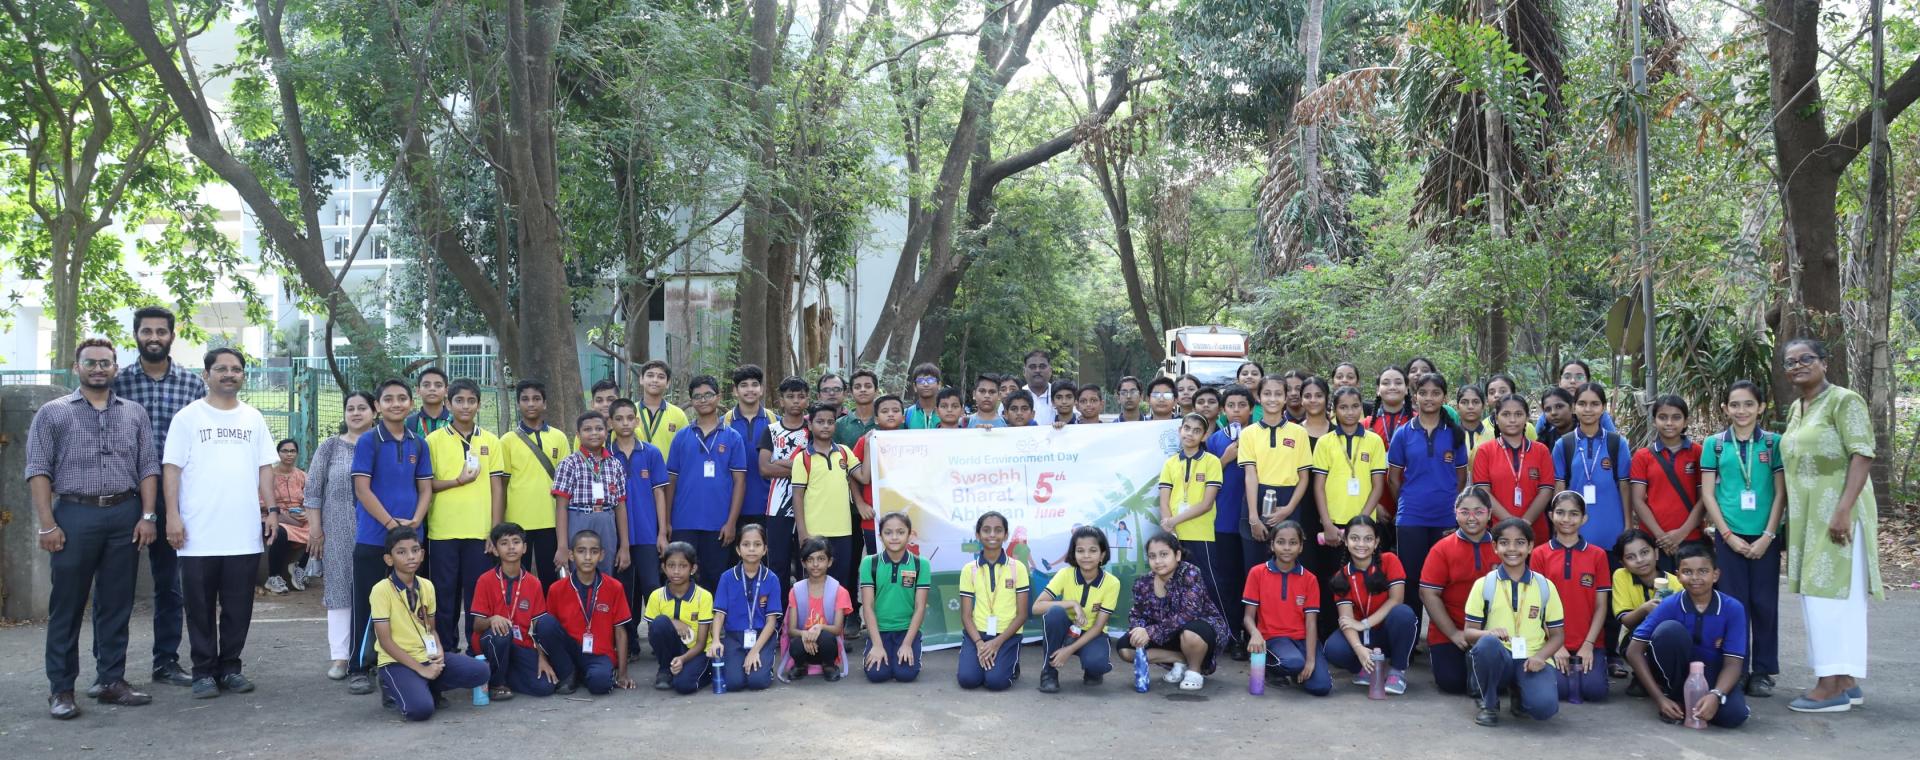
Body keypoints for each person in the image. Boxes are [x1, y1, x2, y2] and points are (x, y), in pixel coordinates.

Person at [29, 338, 160, 719]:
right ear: (77, 367)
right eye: (90, 362)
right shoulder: (53, 413)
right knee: (67, 605)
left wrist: (148, 516)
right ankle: (61, 689)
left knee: (117, 603)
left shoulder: (134, 413)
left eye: (105, 363)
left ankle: (111, 680)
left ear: (115, 368)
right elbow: (38, 469)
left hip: (124, 515)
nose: (98, 368)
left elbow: (148, 466)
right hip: (75, 515)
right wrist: (47, 525)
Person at [164, 347, 278, 699]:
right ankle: (203, 672)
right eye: (221, 368)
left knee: (238, 607)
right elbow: (172, 470)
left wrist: (272, 510)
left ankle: (230, 668)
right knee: (199, 608)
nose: (229, 374)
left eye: (236, 369)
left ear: (243, 375)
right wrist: (172, 516)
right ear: (206, 374)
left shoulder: (253, 418)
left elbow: (265, 468)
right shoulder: (187, 418)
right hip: (197, 534)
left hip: (242, 533)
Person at [1779, 338, 1880, 713]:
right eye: (1790, 362)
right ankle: (1847, 680)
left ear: (1824, 362)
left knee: (1830, 599)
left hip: (1838, 514)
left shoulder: (1844, 400)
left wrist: (1843, 510)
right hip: (1808, 519)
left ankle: (1830, 685)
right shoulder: (1797, 408)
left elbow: (1862, 453)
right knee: (1822, 596)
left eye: (1806, 358)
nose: (1798, 366)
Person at [113, 306, 205, 689]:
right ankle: (110, 672)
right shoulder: (116, 382)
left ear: (171, 336)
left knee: (169, 583)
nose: (154, 337)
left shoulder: (192, 385)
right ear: (136, 335)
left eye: (161, 331)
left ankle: (165, 662)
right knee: (115, 586)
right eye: (147, 331)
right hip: (123, 493)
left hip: (173, 496)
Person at [348, 378, 436, 695]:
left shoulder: (419, 443)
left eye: (402, 398)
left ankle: (409, 662)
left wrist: (416, 521)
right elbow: (362, 489)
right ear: (378, 406)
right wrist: (390, 524)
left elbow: (425, 489)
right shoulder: (368, 441)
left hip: (411, 539)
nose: (396, 404)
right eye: (388, 399)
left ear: (411, 403)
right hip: (374, 538)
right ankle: (359, 667)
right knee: (367, 605)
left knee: (413, 605)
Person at [1699, 380, 1785, 697]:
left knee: (1764, 604)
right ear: (1725, 408)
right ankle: (1736, 668)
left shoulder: (1773, 443)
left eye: (1749, 404)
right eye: (1734, 404)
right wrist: (1726, 534)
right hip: (1728, 536)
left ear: (1761, 407)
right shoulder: (1715, 444)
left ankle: (1762, 671)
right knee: (1734, 605)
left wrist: (1768, 535)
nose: (1742, 410)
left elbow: (1780, 494)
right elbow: (1708, 494)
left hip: (1765, 537)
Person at [369, 526, 489, 721]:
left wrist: (438, 650)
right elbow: (385, 641)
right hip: (396, 661)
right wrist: (421, 669)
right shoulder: (381, 590)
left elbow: (431, 629)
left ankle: (424, 684)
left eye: (415, 550)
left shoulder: (427, 586)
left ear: (423, 554)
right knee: (421, 710)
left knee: (481, 671)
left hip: (426, 656)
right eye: (401, 552)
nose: (411, 557)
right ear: (389, 559)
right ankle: (391, 685)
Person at [1624, 543, 1751, 727]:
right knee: (1669, 630)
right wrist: (1659, 699)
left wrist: (1716, 695)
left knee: (1734, 716)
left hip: (1713, 674)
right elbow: (1633, 651)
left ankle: (1700, 701)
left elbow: (1733, 663)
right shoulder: (1669, 604)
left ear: (1715, 574)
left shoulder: (1733, 608)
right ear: (1678, 576)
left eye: (1703, 571)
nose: (1695, 578)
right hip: (1677, 674)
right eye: (1687, 572)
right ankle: (1674, 696)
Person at [423, 379, 503, 653]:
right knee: (444, 594)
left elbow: (497, 488)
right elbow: (427, 485)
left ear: (479, 405)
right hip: (443, 532)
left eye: (471, 401)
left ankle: (476, 650)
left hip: (480, 533)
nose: (465, 406)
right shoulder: (433, 441)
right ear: (448, 403)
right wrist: (456, 481)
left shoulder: (491, 440)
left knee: (477, 596)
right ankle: (447, 650)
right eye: (459, 400)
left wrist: (494, 531)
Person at [1388, 372, 1470, 628]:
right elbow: (1393, 479)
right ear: (1414, 397)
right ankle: (1411, 638)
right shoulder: (1403, 434)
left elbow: (1461, 478)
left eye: (1436, 393)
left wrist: (1449, 504)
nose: (1429, 398)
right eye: (1423, 393)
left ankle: (1444, 635)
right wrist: (1407, 501)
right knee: (1411, 579)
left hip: (1445, 518)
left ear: (1444, 397)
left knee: (1445, 579)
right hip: (1411, 518)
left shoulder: (1455, 434)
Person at [1463, 518, 1563, 727]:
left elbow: (1557, 635)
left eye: (1520, 542)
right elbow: (1469, 633)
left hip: (1531, 658)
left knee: (1544, 708)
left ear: (1530, 546)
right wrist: (1489, 633)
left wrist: (1540, 657)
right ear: (1495, 547)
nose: (1512, 549)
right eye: (1504, 542)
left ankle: (1519, 693)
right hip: (1499, 656)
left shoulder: (1545, 586)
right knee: (1487, 644)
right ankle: (1489, 703)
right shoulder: (1484, 585)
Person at [307, 392, 375, 682]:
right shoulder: (330, 447)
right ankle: (340, 656)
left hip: (375, 531)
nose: (356, 413)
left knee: (376, 593)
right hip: (336, 532)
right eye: (350, 408)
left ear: (375, 411)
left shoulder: (381, 445)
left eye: (362, 408)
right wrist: (315, 530)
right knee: (338, 592)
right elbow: (313, 491)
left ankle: (374, 655)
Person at [666, 375, 748, 591]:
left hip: (718, 524)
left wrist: (731, 523)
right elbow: (671, 481)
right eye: (697, 396)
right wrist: (666, 521)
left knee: (715, 579)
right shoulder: (681, 437)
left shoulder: (733, 437)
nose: (703, 400)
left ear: (718, 397)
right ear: (691, 401)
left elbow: (740, 482)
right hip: (683, 522)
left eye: (708, 395)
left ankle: (713, 615)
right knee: (681, 578)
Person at [1119, 533, 1230, 691]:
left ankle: (1194, 670)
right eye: (1152, 556)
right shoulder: (1143, 582)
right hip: (1165, 633)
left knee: (1190, 632)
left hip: (1201, 630)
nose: (1158, 561)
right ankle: (1181, 660)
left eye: (1164, 554)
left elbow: (1189, 613)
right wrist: (1139, 630)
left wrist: (1149, 632)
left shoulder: (1190, 573)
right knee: (1126, 649)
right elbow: (1137, 613)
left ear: (1177, 555)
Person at [1529, 491, 1611, 703]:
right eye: (1560, 513)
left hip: (1588, 640)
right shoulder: (1539, 554)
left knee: (1595, 691)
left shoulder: (1598, 555)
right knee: (1560, 691)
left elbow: (1601, 606)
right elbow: (1538, 605)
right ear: (1551, 515)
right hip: (1551, 639)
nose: (1566, 519)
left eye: (1574, 514)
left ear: (1584, 519)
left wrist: (1589, 644)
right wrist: (1556, 645)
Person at [532, 529, 634, 694]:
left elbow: (620, 632)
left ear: (601, 555)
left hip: (599, 653)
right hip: (568, 651)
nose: (587, 557)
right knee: (544, 622)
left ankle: (586, 675)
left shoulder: (614, 587)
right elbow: (545, 632)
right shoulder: (556, 589)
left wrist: (623, 674)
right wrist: (542, 660)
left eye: (594, 552)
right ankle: (569, 672)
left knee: (600, 684)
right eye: (581, 551)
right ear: (571, 555)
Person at [1418, 488, 1498, 695]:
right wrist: (1453, 633)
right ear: (1455, 513)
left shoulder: (1502, 546)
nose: (1471, 518)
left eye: (1478, 512)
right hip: (1450, 632)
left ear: (1489, 513)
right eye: (1464, 512)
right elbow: (1428, 594)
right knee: (1453, 682)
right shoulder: (1442, 549)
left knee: (1499, 682)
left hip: (1493, 632)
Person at [1323, 516, 1414, 695]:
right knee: (1333, 649)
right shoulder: (1341, 576)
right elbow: (1346, 620)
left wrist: (1364, 624)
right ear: (1346, 541)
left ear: (1376, 542)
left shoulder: (1389, 560)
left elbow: (1396, 600)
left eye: (1368, 539)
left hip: (1386, 631)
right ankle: (1367, 666)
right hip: (1363, 636)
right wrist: (1359, 649)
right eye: (1355, 538)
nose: (1361, 544)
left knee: (1403, 614)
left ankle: (1397, 670)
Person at [1241, 521, 1332, 696]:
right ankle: (1270, 668)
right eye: (1281, 542)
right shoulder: (1257, 573)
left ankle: (1297, 670)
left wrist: (1311, 660)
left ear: (1301, 547)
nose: (1287, 548)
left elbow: (1311, 623)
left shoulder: (1310, 579)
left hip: (1303, 640)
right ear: (1272, 545)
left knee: (1321, 687)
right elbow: (1248, 617)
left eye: (1293, 543)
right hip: (1273, 639)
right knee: (1294, 663)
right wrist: (1255, 633)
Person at [608, 398, 670, 655]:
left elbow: (659, 494)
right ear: (610, 423)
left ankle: (659, 642)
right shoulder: (605, 454)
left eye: (629, 418)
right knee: (623, 590)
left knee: (652, 587)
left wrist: (662, 532)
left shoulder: (651, 453)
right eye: (618, 419)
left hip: (647, 533)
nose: (625, 423)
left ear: (636, 421)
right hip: (616, 536)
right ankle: (630, 645)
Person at [469, 522, 557, 700]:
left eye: (516, 542)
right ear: (495, 550)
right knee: (502, 633)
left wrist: (542, 658)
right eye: (504, 543)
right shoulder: (485, 580)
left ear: (524, 548)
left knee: (545, 687)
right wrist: (492, 619)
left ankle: (501, 674)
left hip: (520, 645)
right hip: (491, 642)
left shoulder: (534, 583)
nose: (511, 547)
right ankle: (497, 684)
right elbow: (477, 625)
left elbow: (537, 627)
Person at [500, 379, 569, 587]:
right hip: (516, 521)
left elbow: (565, 485)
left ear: (545, 403)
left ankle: (548, 610)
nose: (531, 403)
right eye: (525, 399)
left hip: (550, 519)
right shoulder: (507, 440)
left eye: (536, 399)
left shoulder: (558, 437)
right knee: (516, 578)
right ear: (518, 403)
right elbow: (502, 485)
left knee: (551, 579)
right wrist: (500, 522)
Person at [791, 404, 867, 595]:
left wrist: (868, 445)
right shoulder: (803, 458)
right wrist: (802, 533)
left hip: (843, 531)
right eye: (820, 422)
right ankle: (812, 615)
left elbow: (864, 477)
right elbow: (797, 496)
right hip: (814, 532)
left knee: (840, 584)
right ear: (810, 425)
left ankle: (838, 616)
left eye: (830, 422)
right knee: (813, 583)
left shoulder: (844, 452)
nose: (825, 426)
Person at [1240, 376, 1311, 577]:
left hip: (1289, 499)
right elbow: (1250, 475)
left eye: (1278, 394)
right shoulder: (1248, 433)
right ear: (1259, 397)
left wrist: (1288, 508)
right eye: (1267, 394)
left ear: (1286, 397)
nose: (1273, 399)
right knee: (1255, 565)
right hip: (1255, 498)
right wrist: (1253, 517)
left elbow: (1304, 477)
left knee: (1287, 561)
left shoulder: (1299, 432)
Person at [1034, 526, 1119, 692]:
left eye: (1093, 550)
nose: (1086, 555)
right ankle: (1049, 673)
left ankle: (1092, 670)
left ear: (1102, 555)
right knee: (1055, 613)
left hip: (1092, 633)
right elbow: (1037, 607)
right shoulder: (1065, 574)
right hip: (1065, 631)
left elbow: (1098, 627)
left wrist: (1069, 650)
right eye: (1080, 550)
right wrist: (1072, 604)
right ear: (1074, 553)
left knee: (1096, 665)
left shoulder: (1112, 583)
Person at [1159, 413, 1225, 619]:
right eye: (1187, 428)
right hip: (1175, 536)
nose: (1190, 434)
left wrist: (1173, 521)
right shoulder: (1170, 463)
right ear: (1180, 430)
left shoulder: (1212, 462)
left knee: (1209, 584)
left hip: (1201, 534)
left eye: (1197, 431)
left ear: (1204, 436)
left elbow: (1206, 504)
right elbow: (1164, 500)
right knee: (1176, 585)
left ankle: (1223, 629)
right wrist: (1170, 529)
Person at [1552, 383, 1633, 552]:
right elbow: (1559, 487)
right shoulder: (1564, 444)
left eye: (1595, 404)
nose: (1588, 409)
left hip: (1612, 526)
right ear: (1574, 408)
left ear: (1603, 408)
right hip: (1574, 529)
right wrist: (1557, 527)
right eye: (1582, 404)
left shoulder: (1617, 443)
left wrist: (1628, 524)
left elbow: (1625, 487)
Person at [1630, 395, 1706, 569]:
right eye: (1663, 417)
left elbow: (1705, 498)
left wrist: (1681, 534)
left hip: (1691, 538)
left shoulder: (1698, 452)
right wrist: (1661, 536)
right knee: (1660, 585)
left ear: (1686, 421)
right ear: (1654, 421)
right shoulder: (1643, 456)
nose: (1669, 423)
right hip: (1654, 540)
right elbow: (1637, 500)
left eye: (1676, 417)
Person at [956, 512, 1029, 690]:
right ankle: (980, 661)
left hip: (1007, 635)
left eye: (998, 530)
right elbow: (966, 616)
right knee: (968, 680)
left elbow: (1022, 615)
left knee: (996, 682)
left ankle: (1010, 662)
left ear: (1006, 535)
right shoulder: (969, 569)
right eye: (986, 530)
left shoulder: (1018, 568)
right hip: (977, 635)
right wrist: (979, 643)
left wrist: (997, 642)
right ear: (978, 535)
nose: (992, 535)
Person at [551, 411, 629, 578]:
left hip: (606, 520)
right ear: (578, 435)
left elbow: (621, 506)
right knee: (577, 571)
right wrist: (562, 546)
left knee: (605, 572)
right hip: (578, 518)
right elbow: (561, 507)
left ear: (606, 432)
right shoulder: (568, 464)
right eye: (587, 429)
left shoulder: (615, 465)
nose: (594, 433)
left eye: (599, 429)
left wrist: (625, 546)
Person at [1205, 385, 1252, 656]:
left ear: (1251, 409)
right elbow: (1205, 478)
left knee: (1250, 579)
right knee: (1227, 581)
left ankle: (1253, 634)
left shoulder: (1258, 435)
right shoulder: (1215, 440)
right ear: (1223, 410)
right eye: (1231, 405)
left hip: (1252, 518)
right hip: (1223, 520)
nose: (1236, 410)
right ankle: (1232, 635)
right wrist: (1225, 459)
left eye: (1242, 405)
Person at [710, 524, 783, 691]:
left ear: (765, 550)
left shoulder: (772, 579)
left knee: (758, 682)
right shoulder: (727, 578)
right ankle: (739, 664)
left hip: (761, 636)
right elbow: (719, 614)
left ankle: (766, 668)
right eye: (746, 544)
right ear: (738, 550)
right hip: (734, 637)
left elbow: (771, 622)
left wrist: (754, 650)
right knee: (733, 683)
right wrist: (715, 640)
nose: (751, 549)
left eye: (757, 544)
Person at [1472, 394, 1556, 540]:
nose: (1512, 420)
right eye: (1506, 414)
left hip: (1535, 531)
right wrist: (1511, 524)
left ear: (1527, 418)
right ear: (1496, 418)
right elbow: (1483, 492)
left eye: (1518, 414)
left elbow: (1546, 491)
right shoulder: (1485, 451)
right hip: (1498, 531)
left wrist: (1525, 523)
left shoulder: (1541, 450)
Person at [860, 512, 930, 683]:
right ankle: (876, 648)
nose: (894, 537)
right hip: (879, 631)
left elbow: (920, 607)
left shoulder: (921, 564)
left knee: (905, 675)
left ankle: (907, 649)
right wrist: (877, 645)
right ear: (880, 536)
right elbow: (867, 606)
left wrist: (907, 644)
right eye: (888, 532)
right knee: (877, 675)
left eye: (900, 532)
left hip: (907, 631)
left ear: (910, 535)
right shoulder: (870, 563)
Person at [1610, 529, 1678, 692]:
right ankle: (1642, 676)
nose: (1640, 560)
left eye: (1645, 552)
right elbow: (1625, 620)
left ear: (1656, 553)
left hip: (1666, 638)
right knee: (1638, 637)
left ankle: (1660, 678)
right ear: (1623, 563)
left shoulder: (1675, 582)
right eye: (1630, 557)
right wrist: (1644, 609)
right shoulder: (1621, 576)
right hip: (1633, 638)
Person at [758, 376, 812, 578]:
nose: (796, 401)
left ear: (807, 400)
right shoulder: (771, 430)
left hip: (809, 506)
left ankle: (805, 600)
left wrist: (780, 462)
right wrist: (801, 467)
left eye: (801, 396)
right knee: (778, 564)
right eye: (790, 396)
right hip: (777, 508)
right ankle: (778, 600)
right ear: (781, 401)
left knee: (807, 563)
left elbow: (815, 468)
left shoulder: (812, 430)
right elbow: (764, 468)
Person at [643, 542, 713, 694]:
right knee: (659, 623)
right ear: (664, 567)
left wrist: (683, 659)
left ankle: (706, 671)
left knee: (684, 686)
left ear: (693, 568)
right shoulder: (656, 596)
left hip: (697, 651)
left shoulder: (704, 596)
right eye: (671, 565)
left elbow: (701, 643)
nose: (676, 571)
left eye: (683, 566)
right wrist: (673, 622)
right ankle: (665, 669)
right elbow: (654, 632)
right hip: (673, 649)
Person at [783, 536, 852, 681]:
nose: (815, 564)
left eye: (821, 559)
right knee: (796, 642)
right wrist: (805, 634)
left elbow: (837, 629)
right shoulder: (796, 590)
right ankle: (800, 665)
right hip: (804, 645)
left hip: (827, 646)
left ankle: (829, 666)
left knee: (826, 638)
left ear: (830, 561)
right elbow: (791, 630)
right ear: (803, 563)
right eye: (810, 559)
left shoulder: (839, 591)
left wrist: (819, 627)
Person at [852, 395, 905, 555]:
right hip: (873, 516)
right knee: (877, 561)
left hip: (907, 514)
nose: (890, 414)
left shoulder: (912, 441)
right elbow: (851, 474)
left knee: (904, 560)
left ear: (903, 417)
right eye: (884, 411)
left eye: (895, 411)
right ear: (876, 418)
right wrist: (860, 503)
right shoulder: (865, 441)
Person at [724, 365, 774, 533]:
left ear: (762, 389)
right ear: (735, 390)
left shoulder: (775, 422)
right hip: (731, 508)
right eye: (744, 385)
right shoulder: (723, 423)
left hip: (769, 506)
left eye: (755, 384)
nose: (750, 389)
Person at [1364, 367, 1414, 528]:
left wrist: (1406, 507)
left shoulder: (1418, 422)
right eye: (1386, 383)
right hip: (1375, 505)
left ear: (1406, 388)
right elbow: (1358, 470)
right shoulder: (1365, 425)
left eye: (1398, 382)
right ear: (1378, 390)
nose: (1392, 386)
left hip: (1412, 506)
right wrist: (1373, 506)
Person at [263, 439, 310, 594]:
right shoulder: (268, 475)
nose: (289, 454)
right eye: (284, 451)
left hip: (298, 519)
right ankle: (273, 577)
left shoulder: (303, 476)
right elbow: (260, 501)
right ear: (278, 453)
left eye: (292, 451)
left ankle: (299, 568)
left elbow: (311, 500)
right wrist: (279, 512)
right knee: (280, 532)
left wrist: (305, 513)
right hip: (273, 517)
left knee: (319, 530)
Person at [634, 360, 690, 457]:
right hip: (635, 466)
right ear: (641, 379)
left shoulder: (678, 415)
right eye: (650, 375)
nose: (655, 380)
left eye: (661, 377)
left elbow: (686, 448)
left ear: (668, 383)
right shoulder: (630, 412)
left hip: (667, 467)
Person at [832, 369, 880, 446]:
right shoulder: (839, 424)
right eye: (857, 387)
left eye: (868, 386)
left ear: (876, 391)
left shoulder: (887, 421)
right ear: (851, 392)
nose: (863, 390)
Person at [405, 368, 452, 439]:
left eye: (438, 385)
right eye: (426, 385)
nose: (432, 388)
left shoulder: (455, 422)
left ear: (446, 391)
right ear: (418, 390)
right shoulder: (408, 423)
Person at [1022, 350, 1060, 425]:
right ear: (1024, 371)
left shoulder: (1061, 395)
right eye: (1032, 367)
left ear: (1050, 371)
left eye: (1042, 366)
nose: (1037, 370)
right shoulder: (1016, 396)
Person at [1457, 384, 1492, 461]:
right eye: (1464, 402)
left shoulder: (1494, 437)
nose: (1470, 406)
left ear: (1483, 406)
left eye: (1476, 402)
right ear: (1457, 407)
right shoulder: (1449, 435)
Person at [904, 363, 944, 429]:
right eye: (920, 381)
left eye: (930, 380)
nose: (925, 384)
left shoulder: (947, 412)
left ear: (939, 385)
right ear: (915, 386)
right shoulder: (907, 414)